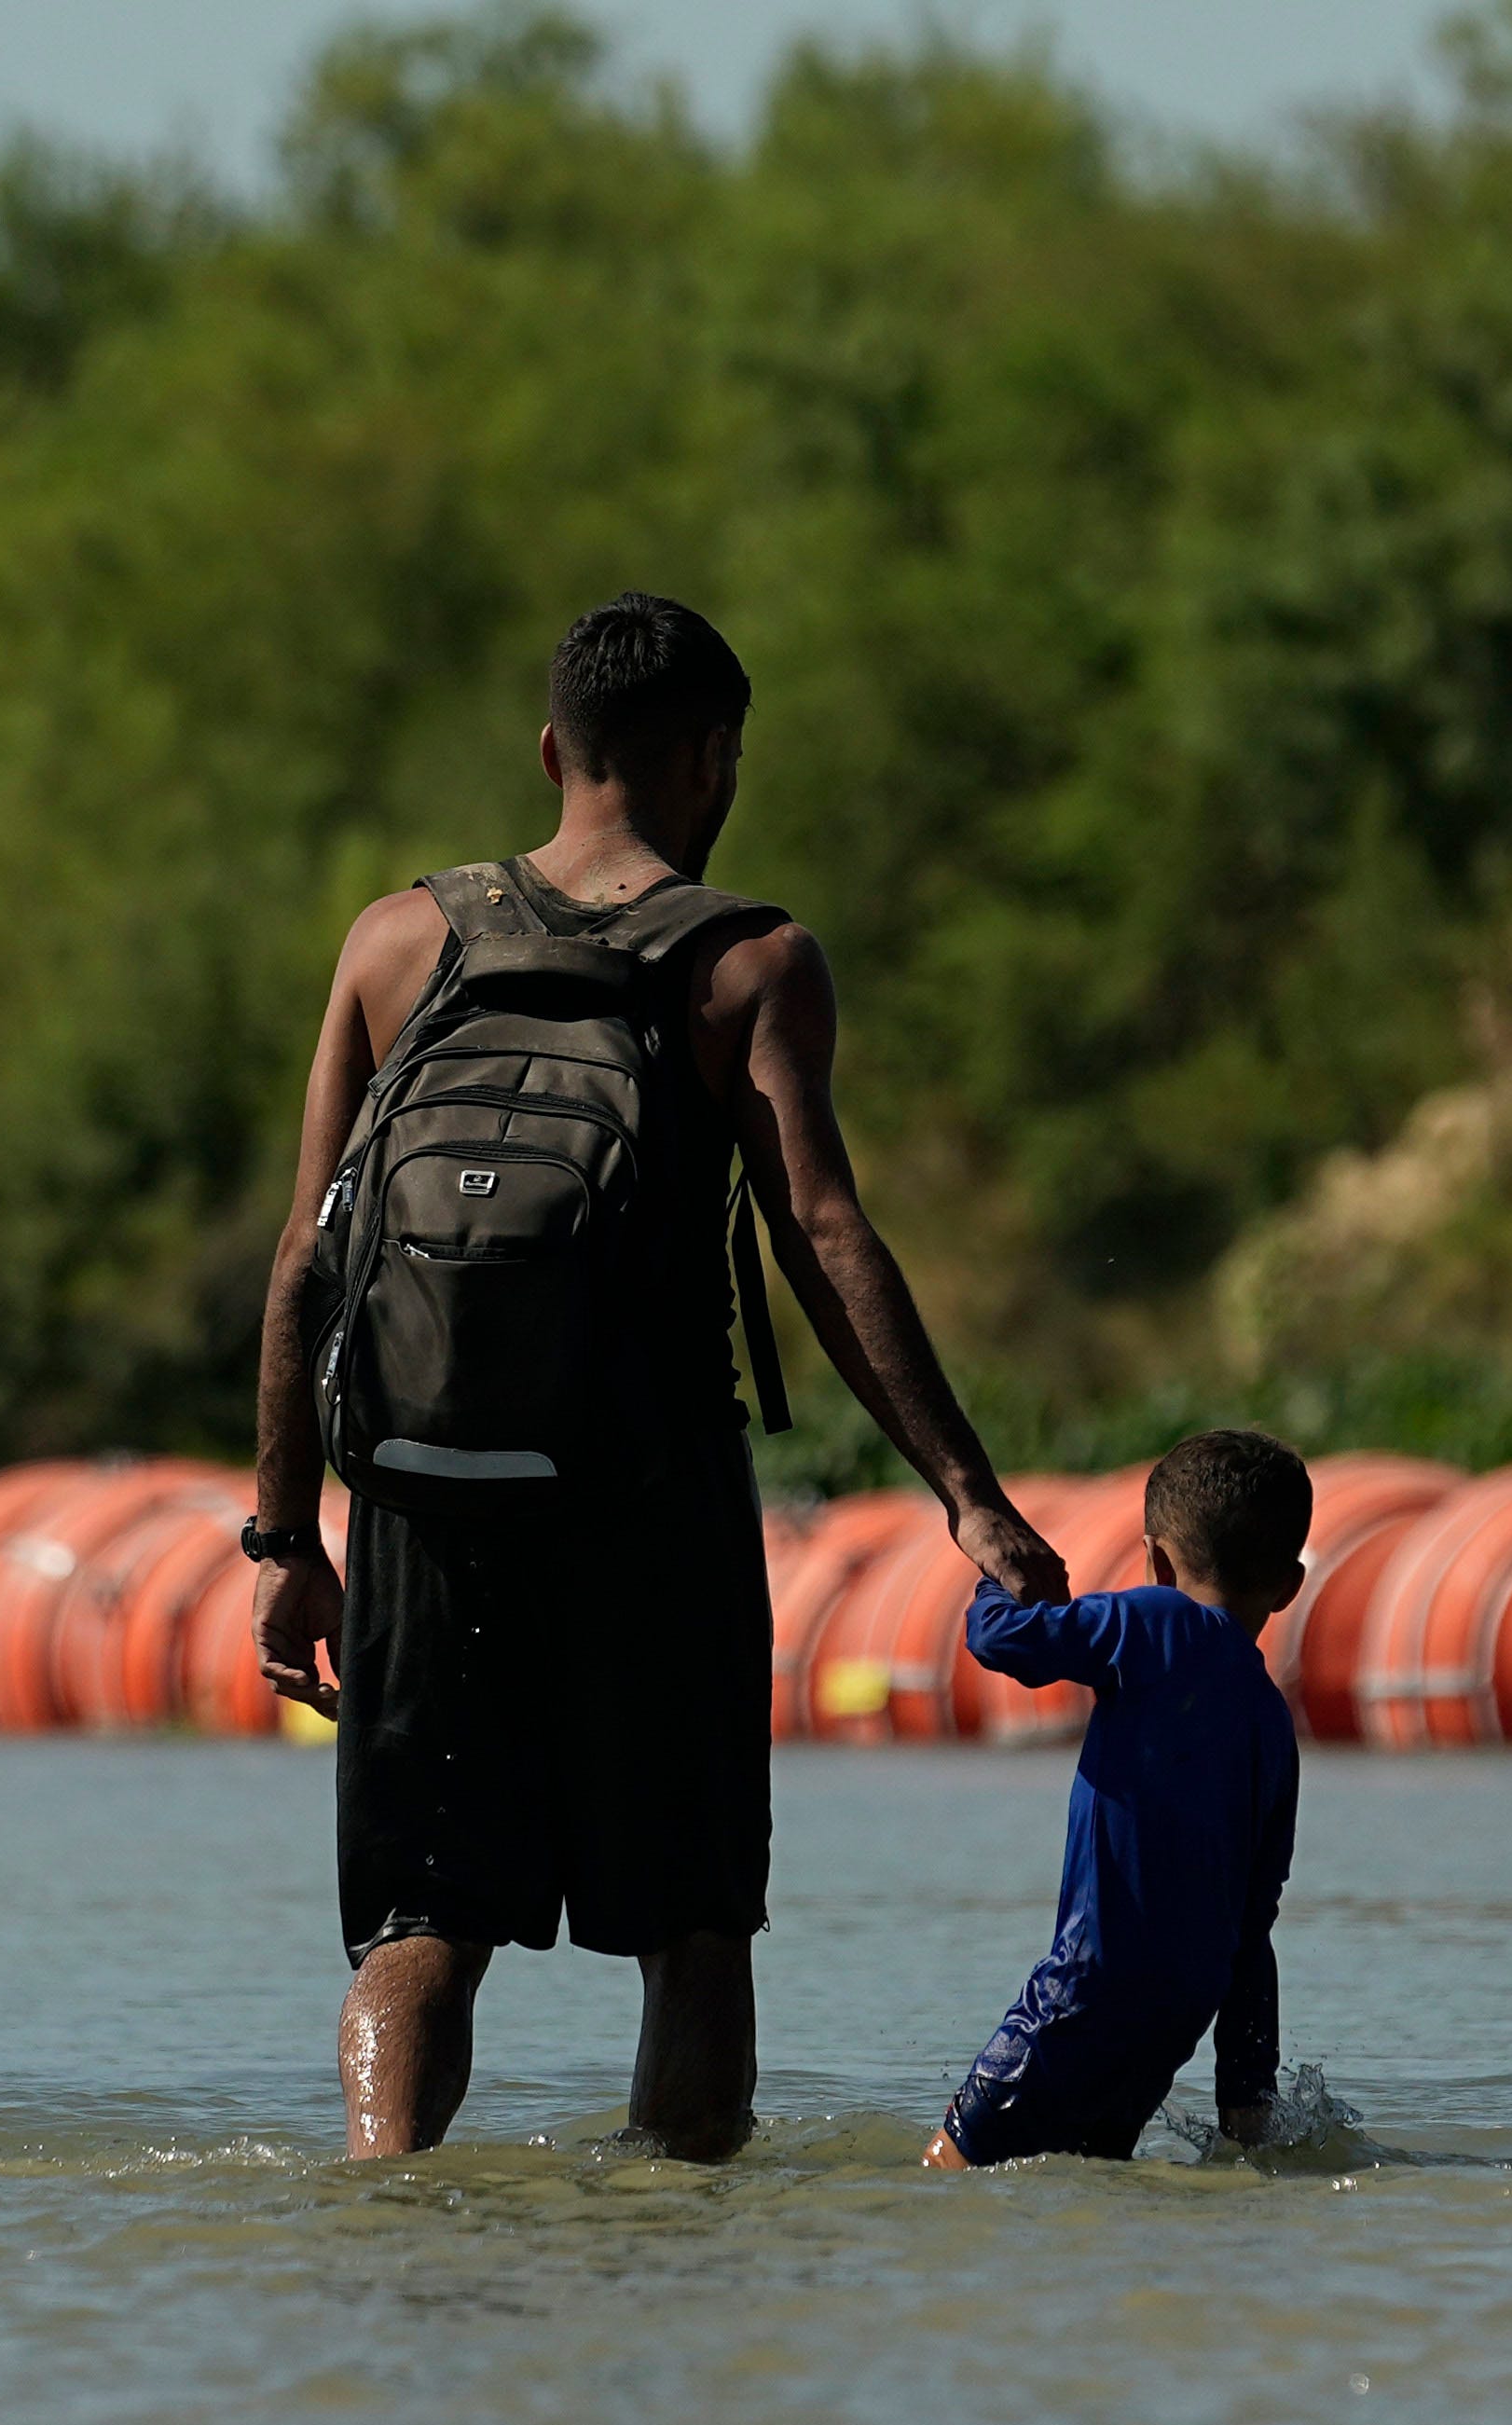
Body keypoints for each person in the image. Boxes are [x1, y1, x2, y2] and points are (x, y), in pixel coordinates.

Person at [250, 592, 1066, 2162]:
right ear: (713, 762)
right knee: (689, 1920)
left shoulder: (393, 939)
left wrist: (284, 1543)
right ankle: (678, 2245)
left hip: (421, 1497)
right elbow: (822, 1234)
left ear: (552, 749)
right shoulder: (748, 960)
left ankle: (384, 2203)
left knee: (421, 1917)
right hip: (649, 1497)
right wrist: (968, 1493)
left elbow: (304, 1257)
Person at [923, 1428, 1310, 2170]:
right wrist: (1245, 2102)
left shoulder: (1149, 1621)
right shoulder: (1272, 1722)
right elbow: (1254, 1929)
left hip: (1086, 1990)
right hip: (1179, 2015)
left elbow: (1000, 1641)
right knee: (1089, 2183)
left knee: (946, 2179)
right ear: (1290, 1585)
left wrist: (994, 1569)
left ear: (1156, 1558)